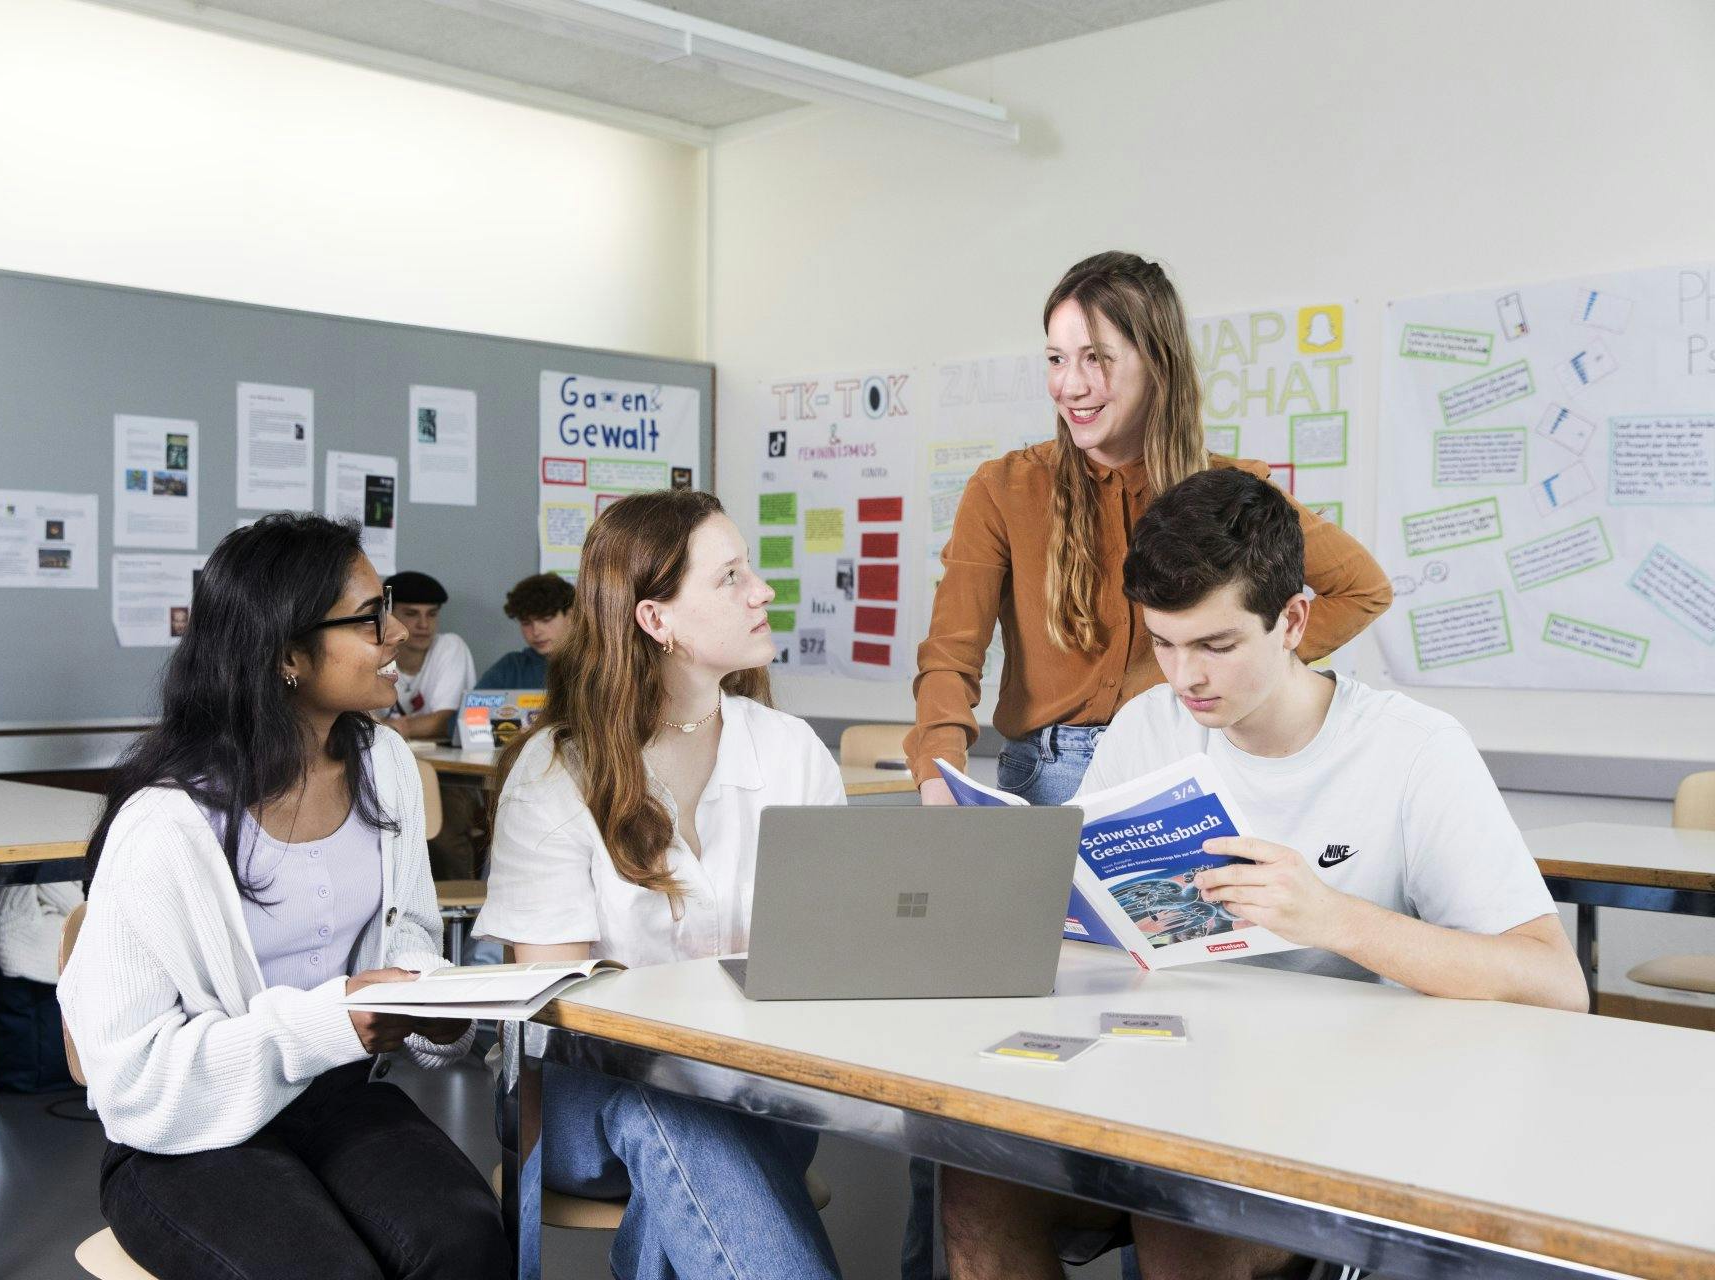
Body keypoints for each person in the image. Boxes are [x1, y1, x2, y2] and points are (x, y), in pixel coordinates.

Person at [940, 468, 1587, 1280]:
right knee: (974, 1178)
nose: (1186, 680)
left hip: (1334, 1111)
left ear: (1294, 621)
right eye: (1164, 644)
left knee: (1189, 1215)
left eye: (1217, 646)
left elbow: (1556, 983)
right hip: (1163, 1083)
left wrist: (1332, 918)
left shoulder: (1413, 749)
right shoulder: (1150, 725)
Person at [901, 250, 1393, 1276]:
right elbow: (951, 653)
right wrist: (938, 768)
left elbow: (1357, 588)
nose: (1071, 382)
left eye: (1097, 356)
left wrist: (1218, 683)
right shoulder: (1007, 486)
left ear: (1154, 360)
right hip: (1038, 780)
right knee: (959, 1075)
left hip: (1176, 776)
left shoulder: (1225, 497)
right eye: (1054, 357)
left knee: (1171, 1054)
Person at [59, 513, 510, 1280]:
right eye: (370, 617)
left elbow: (406, 942)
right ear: (288, 655)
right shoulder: (166, 824)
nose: (397, 632)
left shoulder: (385, 762)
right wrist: (334, 1019)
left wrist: (433, 999)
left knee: (467, 1247)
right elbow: (129, 1084)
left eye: (389, 604)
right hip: (180, 1133)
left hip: (335, 1100)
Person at [474, 490, 845, 1280]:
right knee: (666, 1103)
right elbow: (555, 1013)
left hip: (761, 1094)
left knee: (694, 1140)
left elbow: (821, 961)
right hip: (593, 1102)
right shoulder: (554, 775)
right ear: (655, 620)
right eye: (731, 577)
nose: (762, 591)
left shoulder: (792, 753)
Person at [378, 570, 476, 741]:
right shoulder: (369, 652)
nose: (423, 624)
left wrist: (390, 728)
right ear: (388, 615)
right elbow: (354, 722)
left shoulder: (450, 646)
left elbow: (444, 721)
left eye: (431, 614)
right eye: (411, 614)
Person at [475, 572, 575, 689]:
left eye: (546, 620)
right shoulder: (510, 668)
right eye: (526, 623)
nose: (536, 632)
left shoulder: (595, 663)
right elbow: (475, 706)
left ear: (570, 617)